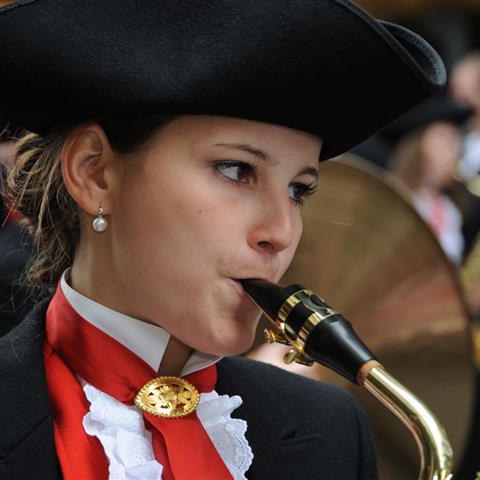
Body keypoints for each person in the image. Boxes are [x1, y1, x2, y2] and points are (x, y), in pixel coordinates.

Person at [0, 1, 445, 479]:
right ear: (95, 173)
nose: (281, 232)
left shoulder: (333, 430)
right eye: (237, 170)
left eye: (299, 190)